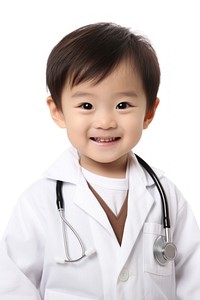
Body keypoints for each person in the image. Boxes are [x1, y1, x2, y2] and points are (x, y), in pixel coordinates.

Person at [0, 22, 200, 300]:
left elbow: (194, 283)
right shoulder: (38, 202)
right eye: (86, 106)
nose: (105, 121)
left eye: (123, 105)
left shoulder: (167, 197)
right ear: (57, 111)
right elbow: (12, 285)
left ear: (149, 112)